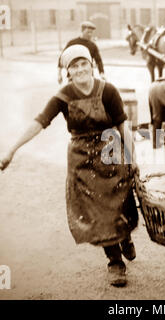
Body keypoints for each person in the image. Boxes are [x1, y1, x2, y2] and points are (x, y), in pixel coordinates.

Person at [0, 45, 138, 288]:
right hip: (81, 159)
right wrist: (12, 149)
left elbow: (122, 126)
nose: (80, 69)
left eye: (84, 63)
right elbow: (39, 122)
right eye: (74, 66)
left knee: (120, 201)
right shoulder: (63, 96)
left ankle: (124, 235)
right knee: (97, 211)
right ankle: (115, 261)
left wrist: (131, 157)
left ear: (91, 65)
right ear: (68, 72)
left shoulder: (108, 91)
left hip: (110, 151)